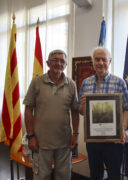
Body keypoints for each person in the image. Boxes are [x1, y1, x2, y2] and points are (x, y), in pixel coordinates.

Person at [23, 49, 79, 180]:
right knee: (41, 177)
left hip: (64, 143)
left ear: (65, 65)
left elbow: (75, 111)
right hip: (41, 143)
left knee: (64, 177)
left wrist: (76, 134)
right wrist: (30, 136)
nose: (58, 63)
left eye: (62, 61)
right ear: (48, 63)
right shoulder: (37, 82)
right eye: (55, 60)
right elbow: (28, 109)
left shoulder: (71, 84)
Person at [79, 46, 128, 180]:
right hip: (93, 140)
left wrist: (122, 129)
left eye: (104, 59)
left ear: (110, 61)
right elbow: (81, 111)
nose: (100, 62)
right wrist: (84, 104)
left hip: (114, 140)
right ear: (93, 61)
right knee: (95, 174)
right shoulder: (86, 83)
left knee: (114, 175)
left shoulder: (119, 82)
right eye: (97, 59)